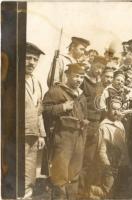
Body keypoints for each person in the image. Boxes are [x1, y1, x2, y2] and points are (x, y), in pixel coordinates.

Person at [42, 63, 88, 199]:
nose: (79, 79)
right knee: (60, 173)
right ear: (68, 75)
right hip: (62, 137)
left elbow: (84, 114)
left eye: (81, 77)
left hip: (79, 136)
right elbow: (44, 110)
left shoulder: (82, 95)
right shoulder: (56, 91)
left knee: (74, 173)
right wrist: (62, 107)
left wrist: (85, 121)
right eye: (76, 76)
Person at [79, 56, 107, 197]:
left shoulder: (101, 83)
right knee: (80, 159)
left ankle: (86, 191)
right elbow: (78, 103)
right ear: (91, 65)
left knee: (90, 160)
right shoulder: (83, 81)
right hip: (84, 123)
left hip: (95, 125)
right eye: (97, 67)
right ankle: (78, 192)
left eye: (102, 68)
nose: (99, 70)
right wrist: (83, 118)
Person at [24, 42, 46, 198]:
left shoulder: (37, 83)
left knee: (29, 173)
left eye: (35, 59)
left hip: (32, 135)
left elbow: (39, 111)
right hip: (15, 135)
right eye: (28, 58)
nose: (31, 62)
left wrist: (41, 134)